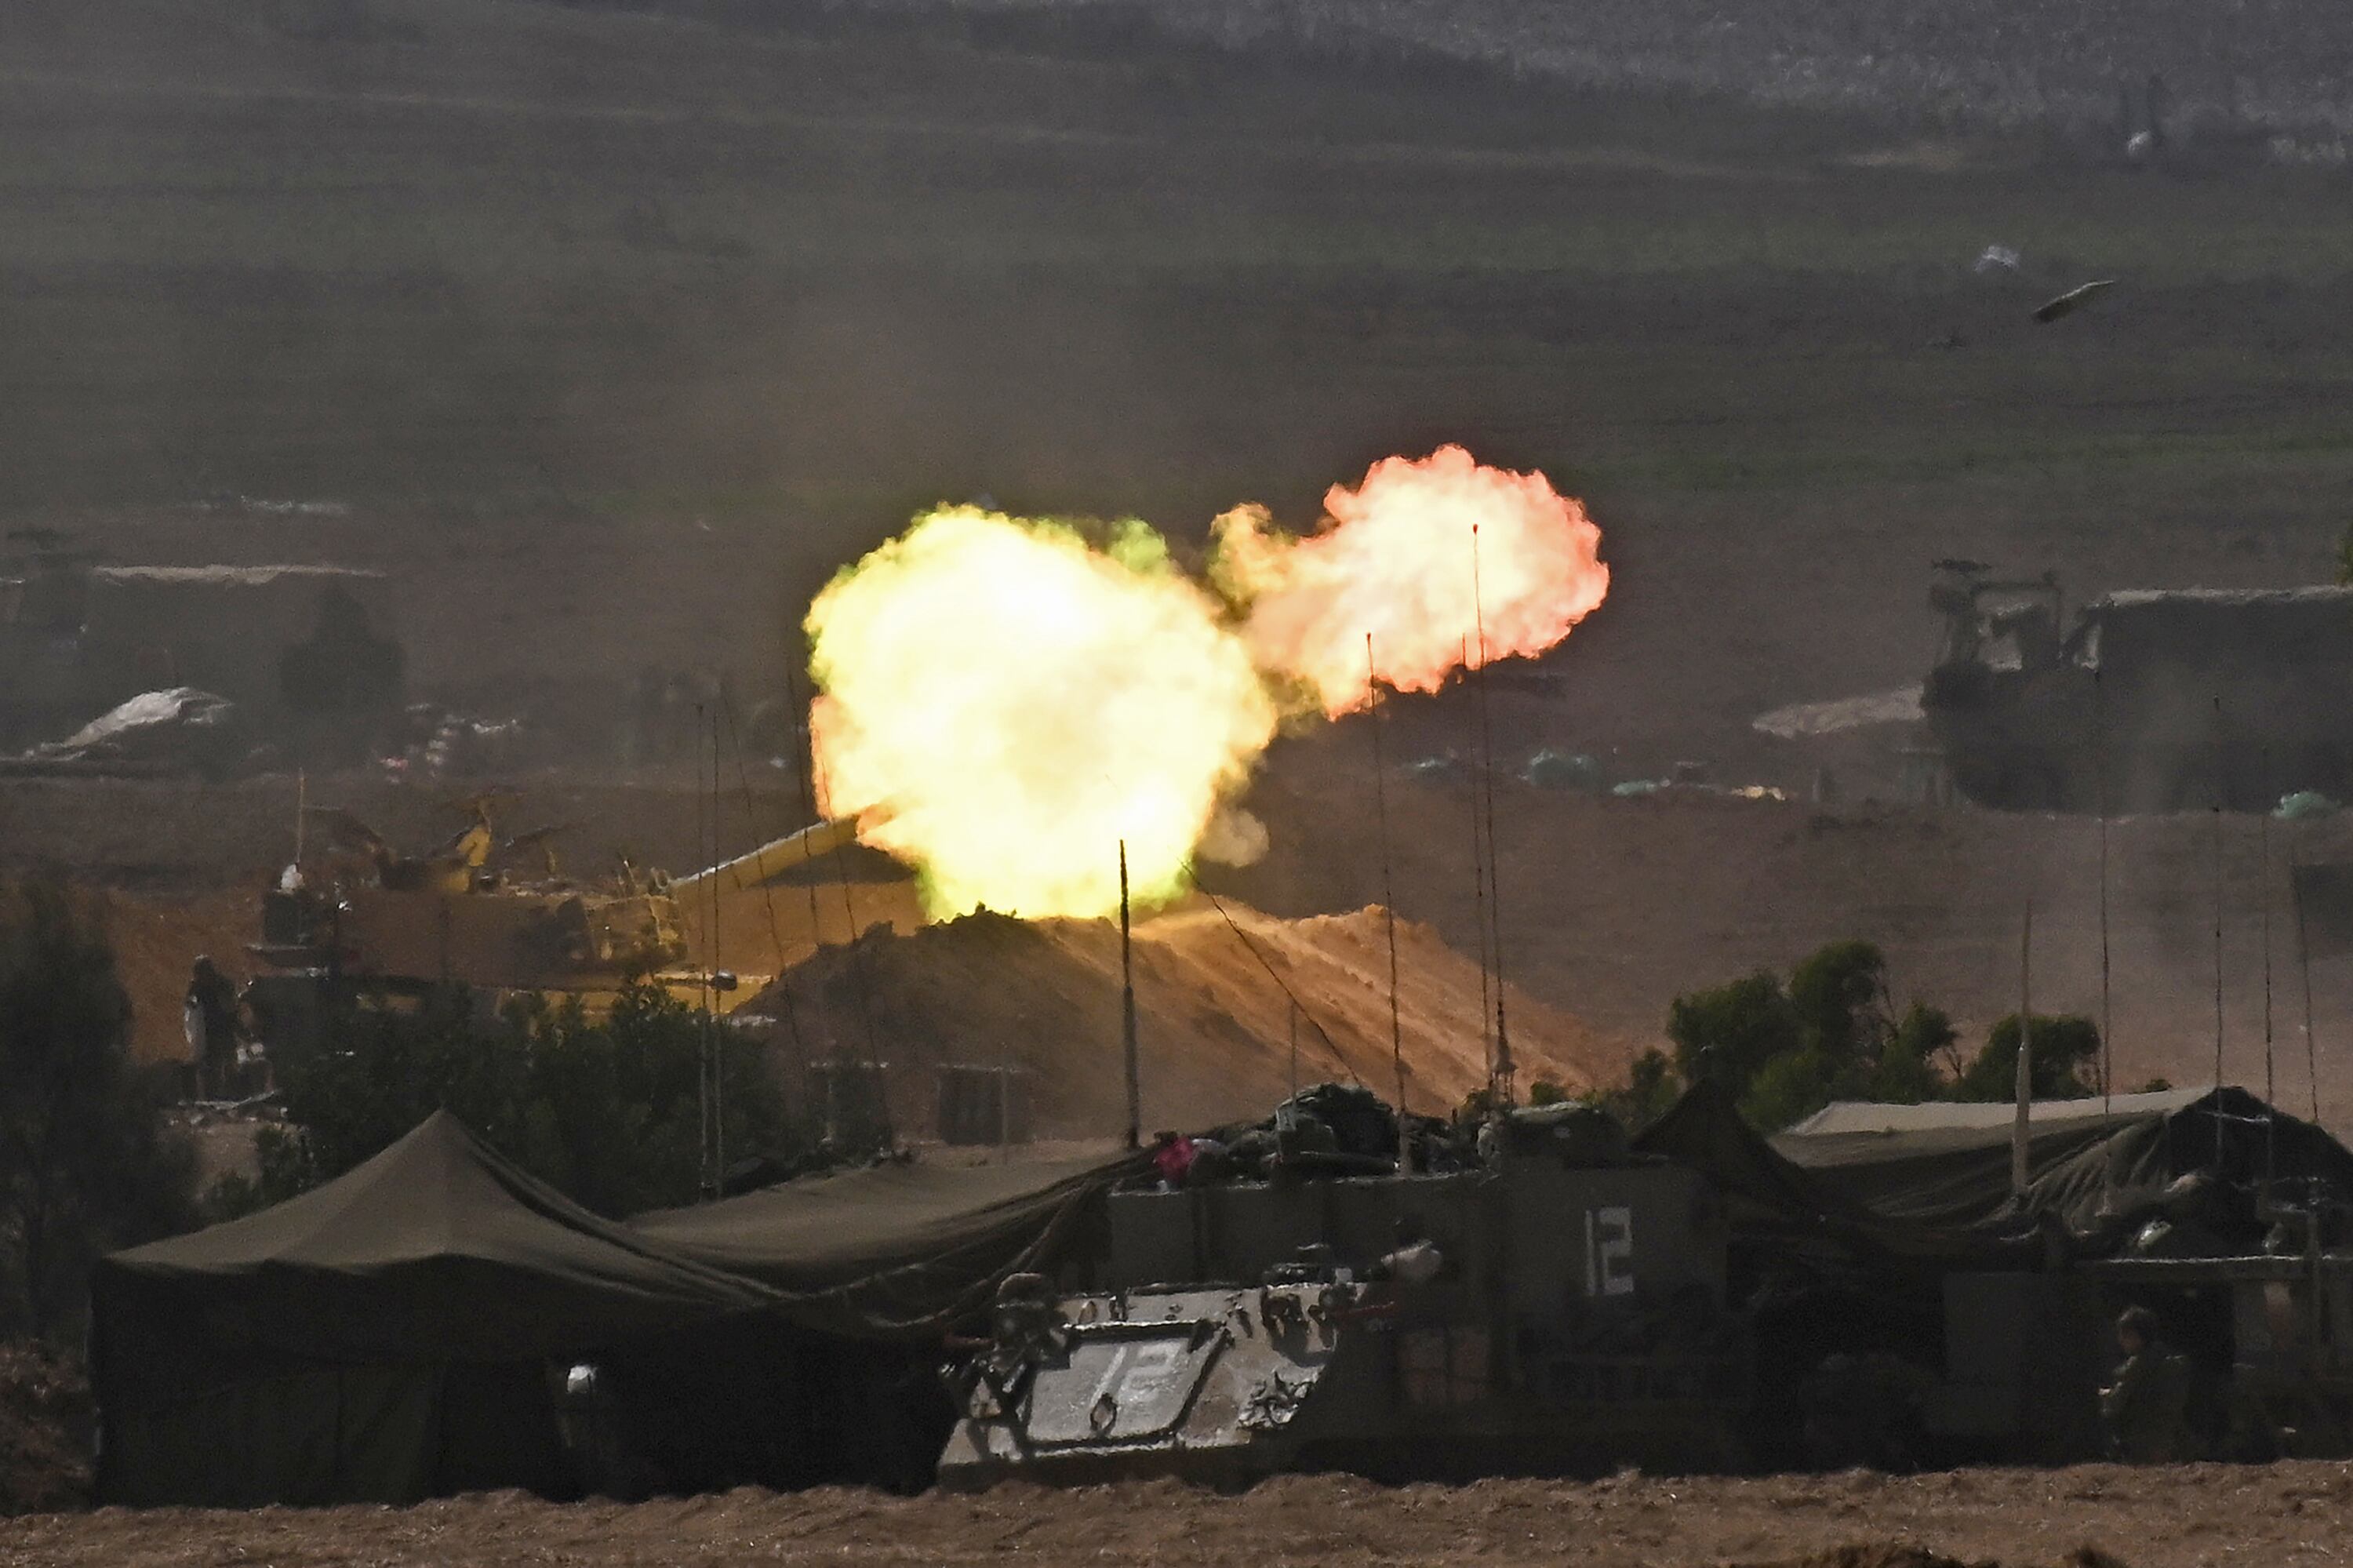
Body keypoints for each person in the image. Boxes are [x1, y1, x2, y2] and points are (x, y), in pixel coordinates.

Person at [2100, 1305, 2192, 1462]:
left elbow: (2114, 1406)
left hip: (2141, 1442)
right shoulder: (2165, 1359)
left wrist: (2105, 1396)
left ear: (2137, 1336)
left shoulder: (2137, 1367)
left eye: (2125, 1335)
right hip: (2169, 1439)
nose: (2121, 1340)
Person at [184, 955, 245, 1100]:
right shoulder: (197, 987)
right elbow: (190, 1004)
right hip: (208, 1030)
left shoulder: (223, 984)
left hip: (225, 1026)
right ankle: (212, 1097)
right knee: (210, 1066)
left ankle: (235, 1094)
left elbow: (230, 1008)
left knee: (230, 1063)